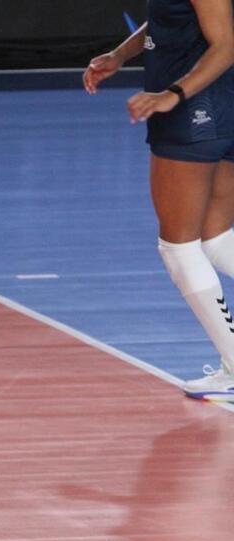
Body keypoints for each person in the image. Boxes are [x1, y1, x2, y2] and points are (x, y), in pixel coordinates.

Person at [84, 0, 234, 399]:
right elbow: (168, 18)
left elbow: (225, 44)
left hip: (197, 107)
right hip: (218, 105)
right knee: (216, 240)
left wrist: (172, 94)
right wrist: (120, 54)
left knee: (177, 246)